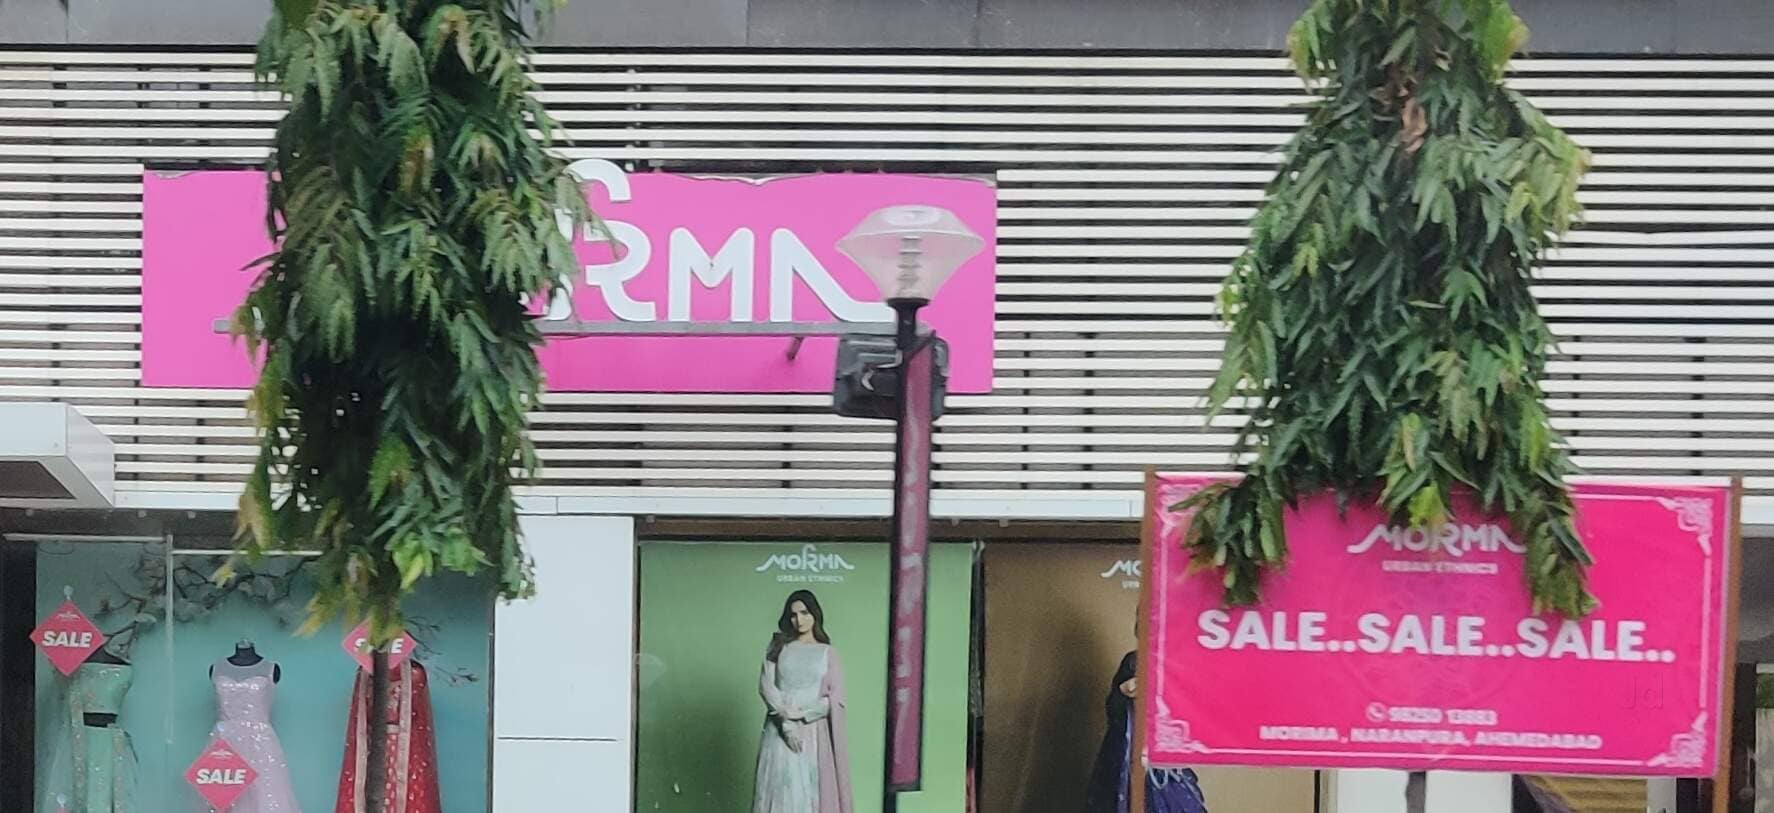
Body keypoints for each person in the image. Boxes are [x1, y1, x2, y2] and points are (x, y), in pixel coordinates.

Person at [1086, 621, 1207, 813]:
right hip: (1131, 752)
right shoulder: (1133, 662)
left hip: (1165, 756)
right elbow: (1115, 709)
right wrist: (1125, 693)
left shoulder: (1176, 665)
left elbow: (1188, 709)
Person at [752, 590, 853, 813]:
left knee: (808, 793)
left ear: (815, 614)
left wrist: (801, 713)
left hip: (812, 733)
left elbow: (835, 700)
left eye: (805, 613)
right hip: (779, 732)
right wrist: (787, 725)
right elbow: (766, 686)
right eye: (793, 615)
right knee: (779, 790)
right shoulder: (778, 646)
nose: (799, 620)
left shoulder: (827, 653)